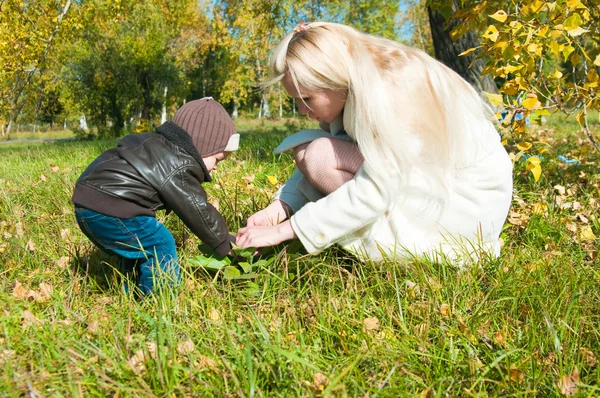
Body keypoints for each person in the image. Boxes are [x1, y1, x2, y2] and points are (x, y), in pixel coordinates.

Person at [236, 22, 513, 264]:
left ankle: (380, 237)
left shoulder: (393, 89)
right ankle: (355, 226)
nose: (301, 110)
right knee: (309, 151)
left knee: (319, 155)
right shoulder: (357, 83)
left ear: (333, 80)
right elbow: (342, 149)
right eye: (294, 100)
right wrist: (279, 209)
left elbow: (377, 186)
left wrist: (285, 231)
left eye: (306, 99)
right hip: (433, 184)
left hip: (463, 211)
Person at [72, 98, 239, 294]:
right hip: (111, 207)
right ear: (202, 145)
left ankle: (133, 292)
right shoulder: (179, 163)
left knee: (139, 248)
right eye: (217, 159)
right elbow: (196, 209)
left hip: (89, 203)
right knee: (160, 243)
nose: (215, 168)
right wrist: (224, 243)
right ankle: (160, 298)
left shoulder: (154, 144)